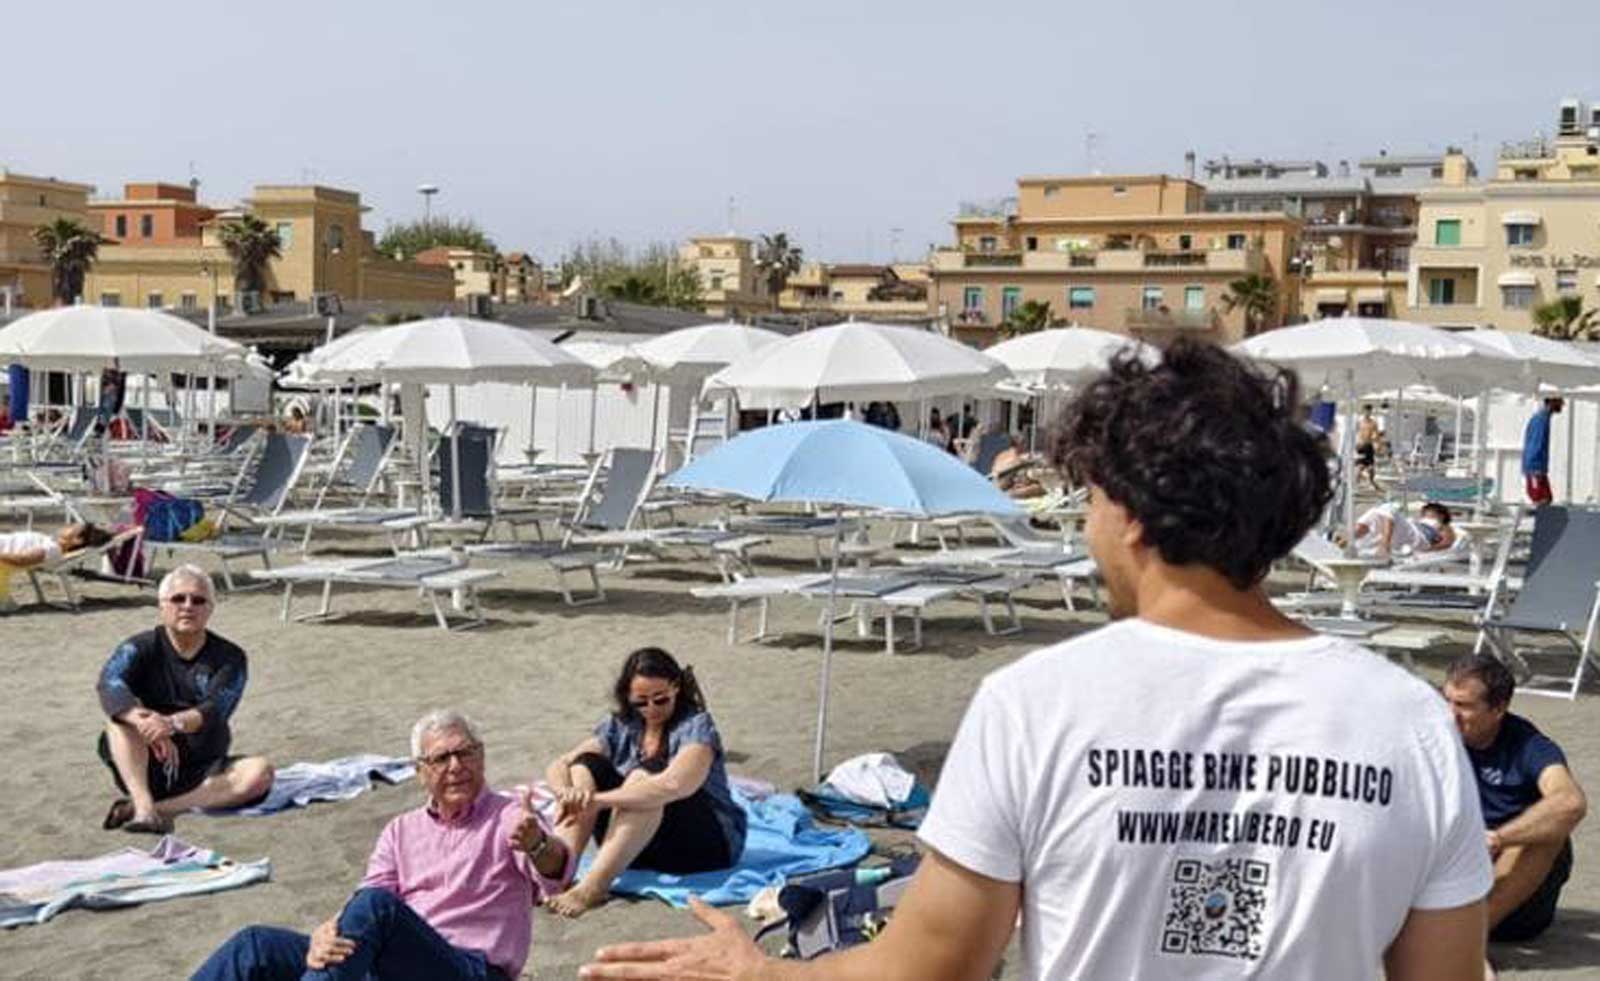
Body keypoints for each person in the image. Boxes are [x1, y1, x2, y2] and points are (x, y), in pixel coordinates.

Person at [581, 339, 1491, 980]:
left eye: (1090, 498)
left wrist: (760, 973)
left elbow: (931, 966)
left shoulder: (1039, 702)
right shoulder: (1405, 718)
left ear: (1130, 513)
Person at [192, 709, 570, 980]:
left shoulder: (508, 817)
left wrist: (537, 843)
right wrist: (330, 931)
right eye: (441, 758)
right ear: (420, 771)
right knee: (256, 945)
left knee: (378, 909)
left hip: (467, 968)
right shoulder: (401, 830)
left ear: (482, 756)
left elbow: (557, 875)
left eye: (465, 753)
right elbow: (364, 901)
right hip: (396, 958)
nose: (456, 766)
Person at [544, 648, 746, 919]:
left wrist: (598, 801)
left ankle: (593, 888)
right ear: (628, 696)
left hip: (704, 843)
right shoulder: (620, 726)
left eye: (660, 699)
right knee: (585, 764)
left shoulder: (696, 726)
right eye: (641, 702)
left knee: (644, 780)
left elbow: (675, 785)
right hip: (639, 845)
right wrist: (567, 793)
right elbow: (561, 764)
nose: (651, 709)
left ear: (675, 687)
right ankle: (561, 871)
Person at [96, 565, 274, 834]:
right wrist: (142, 720)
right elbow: (109, 682)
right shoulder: (139, 647)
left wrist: (172, 723)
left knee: (261, 774)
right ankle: (144, 805)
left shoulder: (230, 656)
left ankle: (152, 808)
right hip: (145, 760)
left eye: (198, 600)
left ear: (210, 609)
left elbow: (217, 707)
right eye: (178, 599)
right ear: (162, 605)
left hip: (202, 767)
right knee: (118, 723)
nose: (188, 606)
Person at [1443, 655, 1587, 945]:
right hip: (1452, 875)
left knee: (1549, 832)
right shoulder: (1435, 734)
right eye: (1446, 700)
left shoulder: (1529, 746)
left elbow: (1570, 803)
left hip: (1514, 897)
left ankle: (1469, 938)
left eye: (1463, 706)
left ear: (1499, 709)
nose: (1449, 713)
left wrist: (1497, 838)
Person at [1, 522, 112, 608]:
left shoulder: (53, 549)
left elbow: (22, 559)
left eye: (72, 528)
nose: (66, 527)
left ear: (77, 541)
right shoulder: (50, 541)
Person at [1342, 501, 1457, 559]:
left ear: (1441, 515)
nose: (1424, 513)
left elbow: (1448, 542)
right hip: (1408, 535)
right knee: (1374, 514)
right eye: (1424, 511)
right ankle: (1348, 540)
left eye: (1428, 511)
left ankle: (1383, 544)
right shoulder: (1420, 521)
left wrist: (1424, 551)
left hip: (1420, 538)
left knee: (1388, 510)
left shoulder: (1443, 525)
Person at [1522, 397, 1564, 506]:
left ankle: (1543, 519)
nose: (1562, 405)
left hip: (1538, 467)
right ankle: (1538, 520)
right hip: (1535, 467)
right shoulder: (1540, 420)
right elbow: (1536, 443)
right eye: (1560, 402)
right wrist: (1536, 469)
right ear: (1551, 402)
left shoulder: (1543, 418)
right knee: (1540, 497)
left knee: (1546, 498)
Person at [989, 433, 1044, 499]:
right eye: (1025, 443)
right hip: (1008, 492)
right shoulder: (1010, 457)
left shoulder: (1002, 454)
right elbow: (999, 485)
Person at [1355, 404, 1382, 492]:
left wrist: (1378, 446)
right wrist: (1357, 444)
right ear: (1363, 411)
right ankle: (1356, 484)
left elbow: (1377, 436)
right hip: (1361, 446)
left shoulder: (1373, 423)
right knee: (1360, 467)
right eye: (1366, 411)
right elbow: (1356, 434)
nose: (1368, 412)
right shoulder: (1359, 422)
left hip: (1369, 446)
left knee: (1371, 468)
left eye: (1369, 411)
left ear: (1371, 412)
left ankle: (1371, 482)